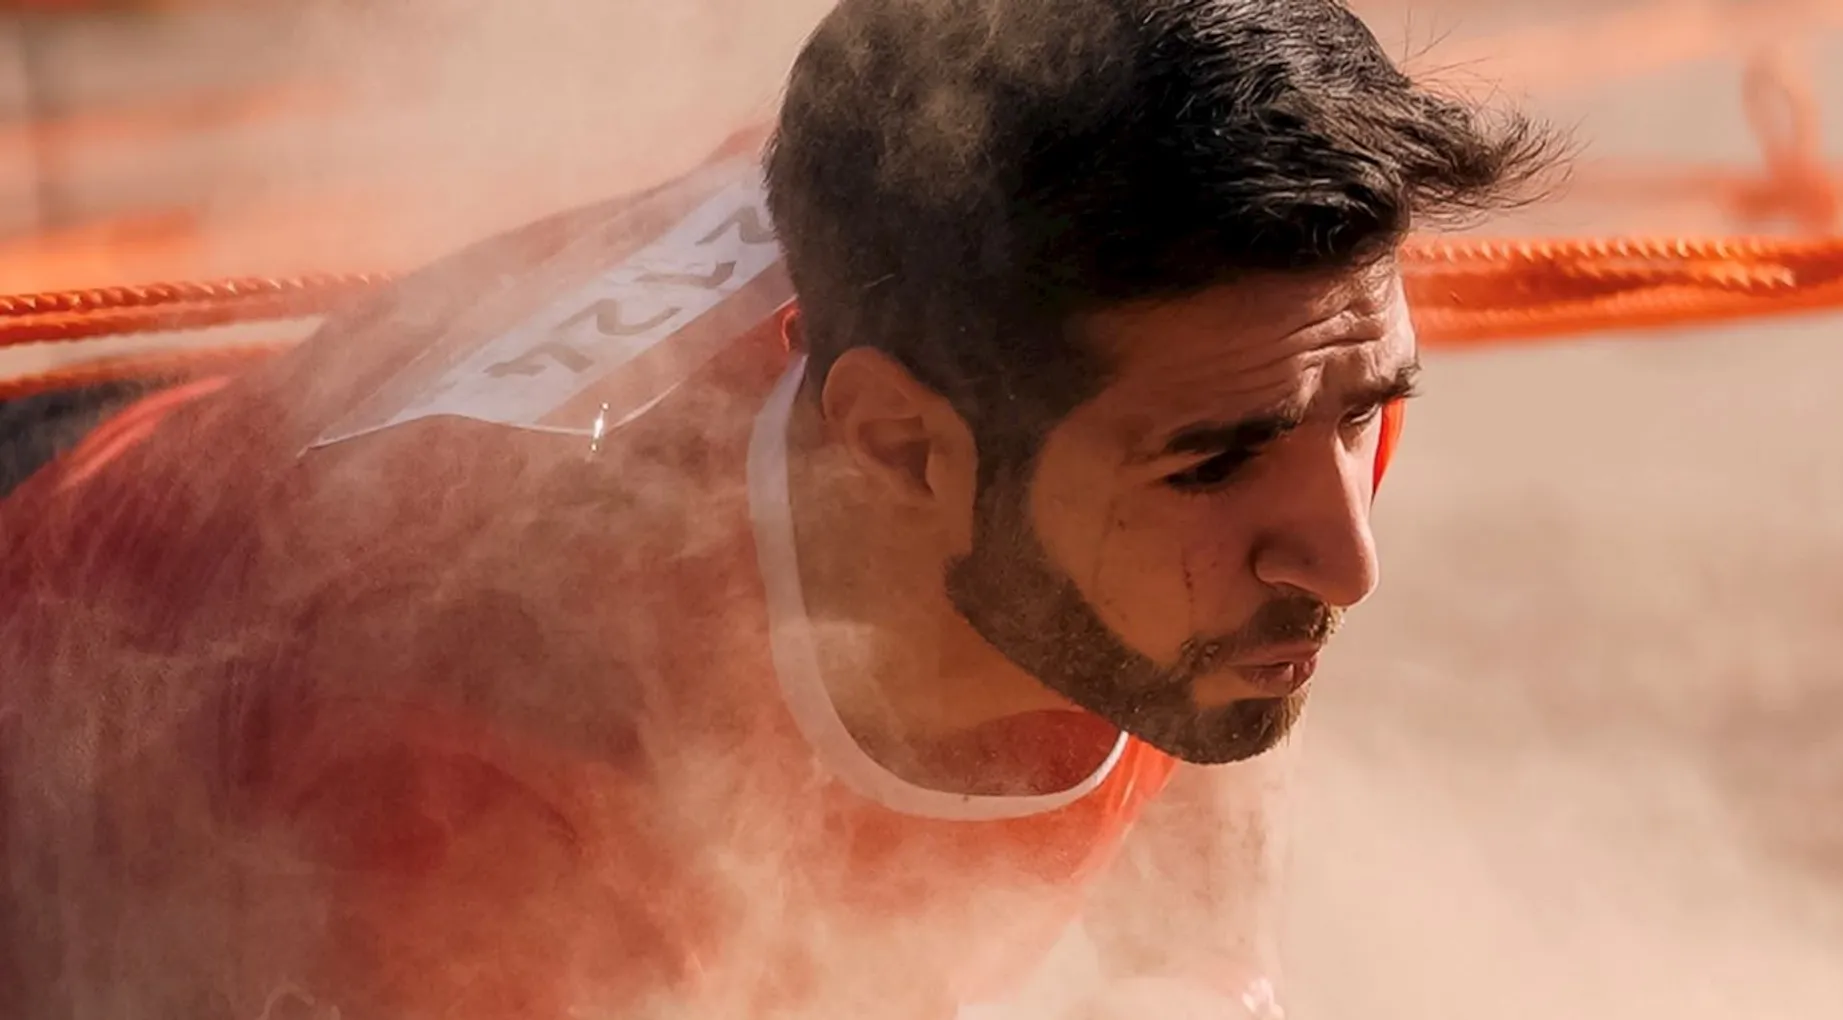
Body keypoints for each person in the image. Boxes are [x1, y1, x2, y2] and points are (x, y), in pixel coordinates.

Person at [0, 0, 1557, 1017]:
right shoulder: (502, 756)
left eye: (1369, 412)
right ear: (898, 444)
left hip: (226, 450)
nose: (1343, 560)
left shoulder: (1192, 337)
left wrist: (1207, 979)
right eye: (1212, 466)